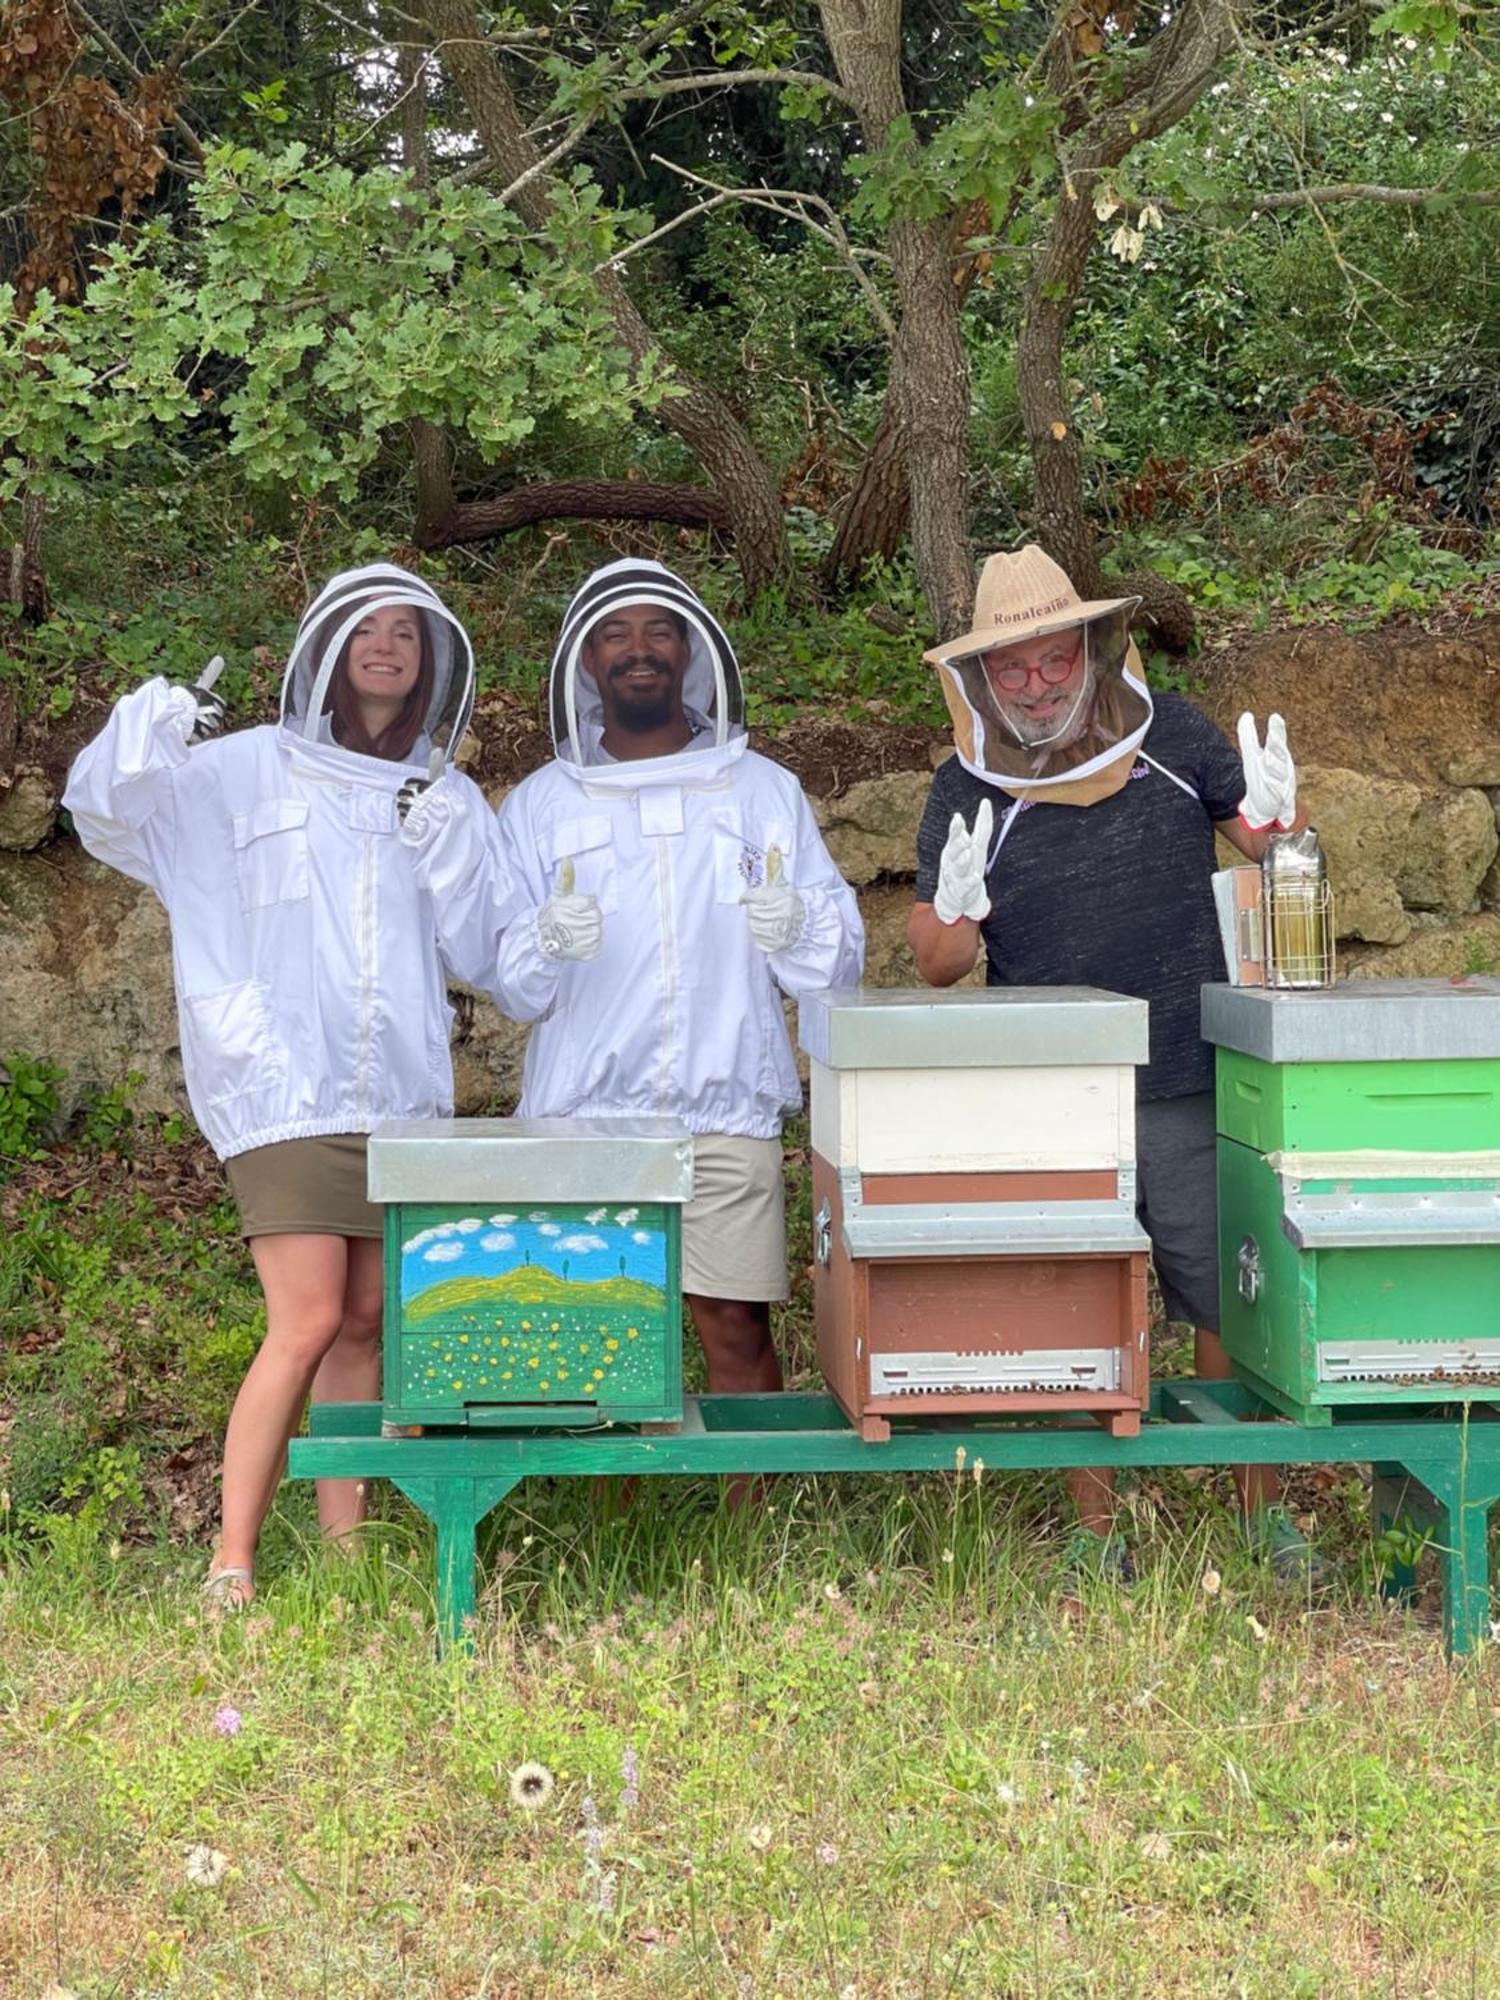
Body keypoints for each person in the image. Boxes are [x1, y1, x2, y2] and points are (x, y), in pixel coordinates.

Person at [64, 564, 516, 1606]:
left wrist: (457, 858)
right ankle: (233, 1561)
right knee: (306, 1316)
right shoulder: (242, 770)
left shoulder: (436, 794)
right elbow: (107, 811)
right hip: (283, 1094)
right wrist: (148, 728)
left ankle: (348, 1550)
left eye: (407, 631)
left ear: (431, 660)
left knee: (364, 1322)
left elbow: (489, 951)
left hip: (397, 1097)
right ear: (328, 646)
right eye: (370, 628)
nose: (389, 645)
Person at [907, 543, 1314, 1582]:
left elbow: (1268, 849)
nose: (1037, 684)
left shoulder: (1172, 734)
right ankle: (1100, 1539)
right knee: (1088, 1308)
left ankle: (1260, 1521)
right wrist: (957, 905)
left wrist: (1282, 816)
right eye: (1013, 669)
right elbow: (938, 963)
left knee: (1226, 1296)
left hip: (1184, 1072)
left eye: (1053, 659)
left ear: (1092, 647)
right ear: (982, 679)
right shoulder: (968, 783)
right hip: (1052, 1096)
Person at [410, 557, 864, 1407]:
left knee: (736, 1325)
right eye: (615, 634)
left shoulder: (764, 790)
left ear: (691, 649)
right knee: (592, 1335)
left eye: (659, 630)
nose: (638, 649)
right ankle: (614, 1527)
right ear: (586, 661)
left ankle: (752, 1529)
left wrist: (796, 922)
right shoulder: (545, 804)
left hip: (723, 1110)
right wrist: (544, 939)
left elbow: (835, 965)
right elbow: (513, 984)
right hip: (584, 1115)